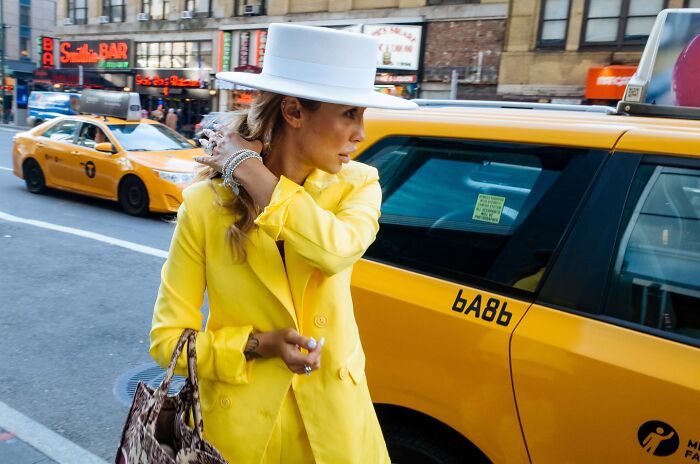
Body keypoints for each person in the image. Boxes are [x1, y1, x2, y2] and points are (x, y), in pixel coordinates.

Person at [149, 23, 416, 463]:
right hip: (238, 433)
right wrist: (258, 345)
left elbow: (335, 250)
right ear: (294, 111)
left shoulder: (359, 184)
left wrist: (250, 172)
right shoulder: (204, 205)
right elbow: (167, 341)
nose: (361, 132)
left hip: (336, 431)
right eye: (350, 113)